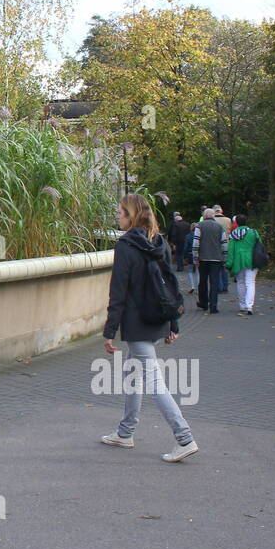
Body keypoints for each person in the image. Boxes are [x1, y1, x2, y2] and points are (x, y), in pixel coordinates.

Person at [99, 193, 198, 462]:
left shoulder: (125, 246)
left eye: (120, 212)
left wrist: (109, 332)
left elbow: (118, 292)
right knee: (134, 375)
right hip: (158, 320)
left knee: (154, 381)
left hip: (138, 324)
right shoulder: (160, 242)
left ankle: (184, 437)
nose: (117, 216)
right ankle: (125, 432)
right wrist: (173, 323)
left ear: (131, 215)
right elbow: (171, 285)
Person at [192, 207, 228, 314]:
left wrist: (195, 257)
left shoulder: (200, 226)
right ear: (213, 216)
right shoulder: (219, 227)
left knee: (202, 281)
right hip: (216, 259)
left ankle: (203, 302)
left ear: (204, 216)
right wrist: (225, 258)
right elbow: (224, 244)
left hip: (203, 258)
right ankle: (213, 306)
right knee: (214, 282)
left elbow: (196, 243)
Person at [225, 215, 262, 316]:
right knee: (250, 283)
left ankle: (242, 305)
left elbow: (231, 251)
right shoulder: (253, 232)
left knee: (240, 282)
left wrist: (228, 263)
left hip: (238, 261)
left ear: (236, 222)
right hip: (252, 260)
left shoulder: (233, 234)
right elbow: (259, 245)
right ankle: (249, 306)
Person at [213, 206, 232, 293]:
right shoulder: (228, 220)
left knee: (217, 267)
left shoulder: (213, 220)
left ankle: (219, 287)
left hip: (215, 246)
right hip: (226, 244)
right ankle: (225, 286)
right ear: (221, 211)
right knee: (224, 267)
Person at [180, 229, 197, 294]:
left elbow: (185, 247)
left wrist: (185, 257)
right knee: (198, 272)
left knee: (190, 271)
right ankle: (198, 286)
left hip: (190, 254)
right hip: (199, 254)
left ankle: (192, 286)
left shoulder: (188, 236)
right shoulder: (200, 235)